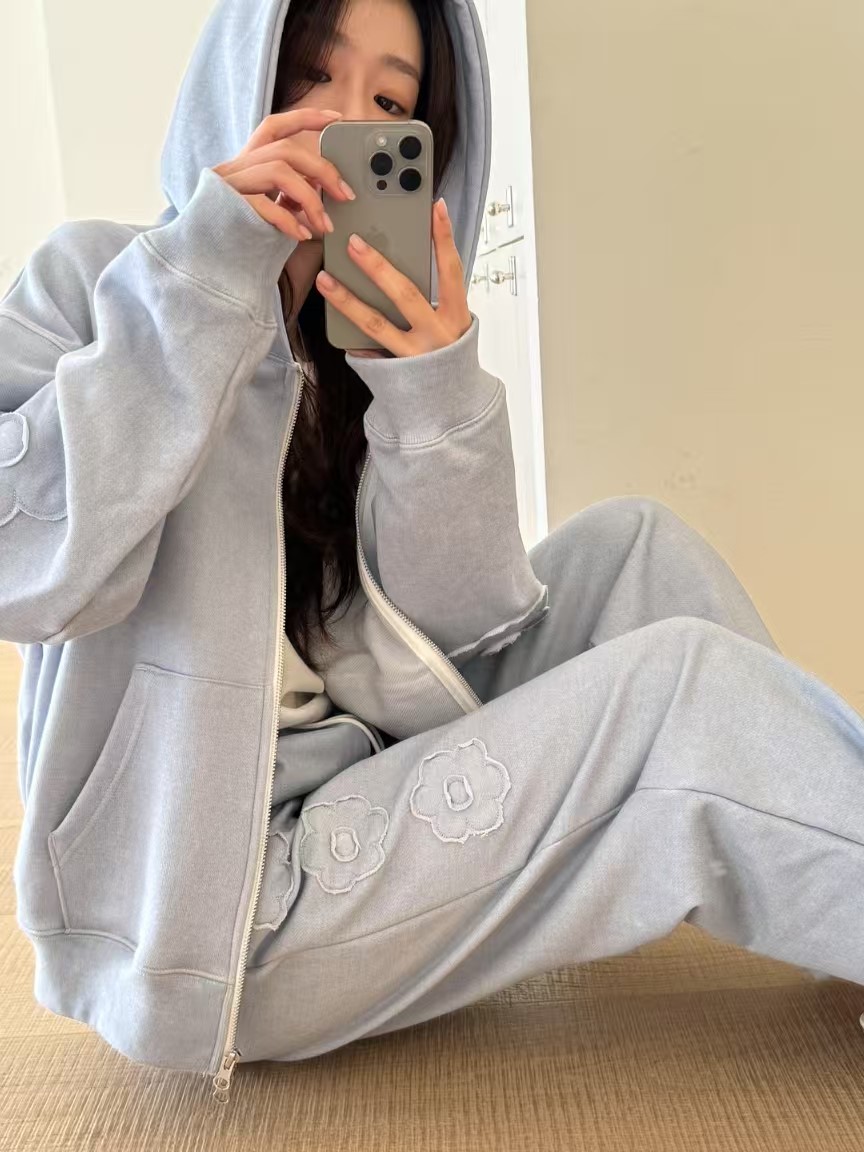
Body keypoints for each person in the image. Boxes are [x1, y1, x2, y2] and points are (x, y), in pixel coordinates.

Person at [1, 0, 862, 1107]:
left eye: (389, 102)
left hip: (359, 766)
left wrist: (432, 388)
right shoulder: (95, 280)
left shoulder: (358, 337)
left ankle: (821, 883)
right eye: (309, 75)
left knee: (637, 547)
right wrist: (204, 279)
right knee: (679, 701)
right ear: (238, 79)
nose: (341, 122)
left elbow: (455, 629)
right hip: (220, 904)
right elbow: (28, 570)